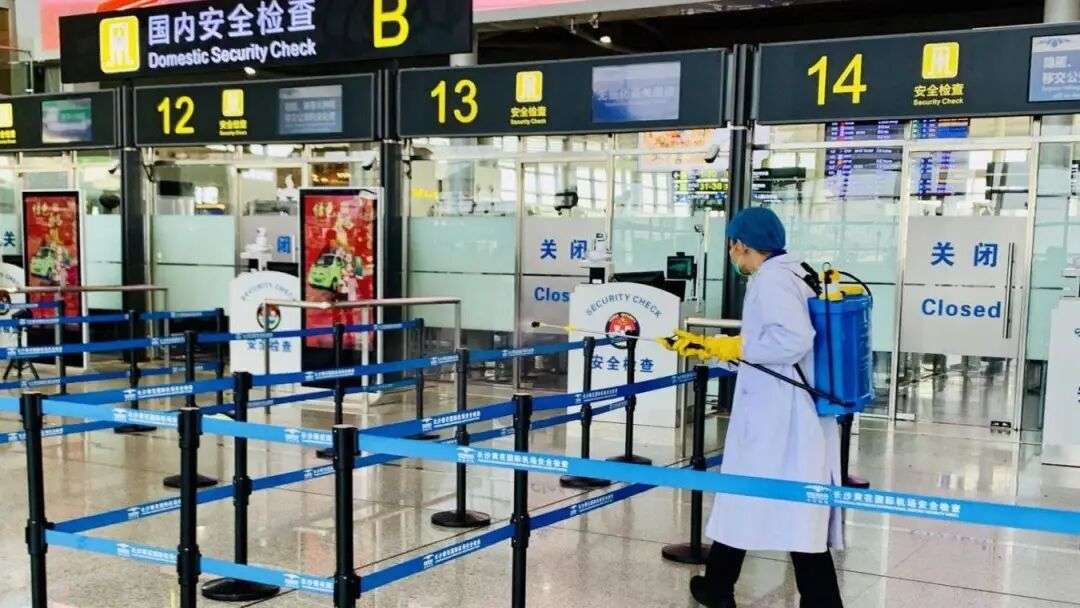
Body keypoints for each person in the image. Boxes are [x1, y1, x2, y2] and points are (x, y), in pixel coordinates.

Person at [665, 207, 845, 608]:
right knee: (754, 502)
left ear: (741, 245)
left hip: (778, 416)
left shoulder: (771, 279)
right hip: (788, 409)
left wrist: (734, 347)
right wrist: (714, 350)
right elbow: (766, 349)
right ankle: (718, 587)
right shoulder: (797, 271)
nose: (733, 254)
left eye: (733, 246)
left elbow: (792, 340)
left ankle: (819, 601)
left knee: (781, 507)